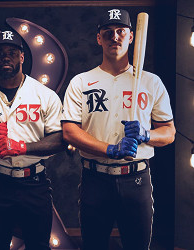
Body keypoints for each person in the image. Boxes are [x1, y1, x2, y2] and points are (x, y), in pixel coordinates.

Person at [61, 9, 175, 250]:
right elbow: (70, 132)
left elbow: (169, 132)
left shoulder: (150, 82)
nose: (115, 37)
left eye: (121, 31)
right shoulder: (81, 82)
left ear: (132, 37)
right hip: (95, 178)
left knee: (137, 246)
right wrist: (110, 149)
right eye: (108, 32)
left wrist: (146, 135)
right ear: (99, 38)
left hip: (136, 179)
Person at [0, 30, 65, 250]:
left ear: (22, 57)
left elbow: (59, 140)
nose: (6, 57)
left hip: (34, 182)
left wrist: (22, 147)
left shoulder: (43, 95)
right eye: (0, 53)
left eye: (12, 52)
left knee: (38, 245)